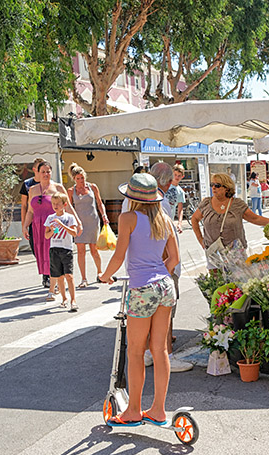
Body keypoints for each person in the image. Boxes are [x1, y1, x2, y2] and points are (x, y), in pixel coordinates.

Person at [99, 172, 179, 426]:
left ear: (131, 197)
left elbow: (119, 254)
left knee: (135, 351)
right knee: (160, 349)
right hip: (165, 288)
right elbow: (173, 259)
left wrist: (104, 276)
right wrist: (157, 276)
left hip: (142, 288)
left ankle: (133, 410)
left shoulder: (127, 218)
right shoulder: (165, 219)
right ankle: (158, 410)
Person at [146, 161, 193, 373]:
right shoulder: (160, 201)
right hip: (161, 266)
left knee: (150, 313)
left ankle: (149, 353)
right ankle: (167, 355)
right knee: (166, 313)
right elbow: (163, 239)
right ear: (163, 183)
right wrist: (169, 266)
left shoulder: (135, 201)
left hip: (143, 268)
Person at [190, 173, 269, 271]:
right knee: (217, 283)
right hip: (214, 252)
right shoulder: (207, 203)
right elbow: (194, 219)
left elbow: (255, 218)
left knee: (239, 282)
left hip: (236, 253)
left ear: (227, 188)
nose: (213, 188)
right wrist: (201, 239)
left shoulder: (237, 204)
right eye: (212, 185)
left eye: (217, 185)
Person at [23, 160, 81, 295]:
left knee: (53, 253)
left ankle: (55, 283)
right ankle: (50, 279)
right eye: (43, 172)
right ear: (37, 173)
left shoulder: (58, 187)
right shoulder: (32, 190)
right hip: (38, 227)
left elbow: (69, 206)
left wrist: (77, 222)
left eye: (48, 171)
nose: (45, 174)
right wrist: (25, 226)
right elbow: (30, 211)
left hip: (54, 227)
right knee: (41, 254)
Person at [68, 163, 108, 287]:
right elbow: (69, 207)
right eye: (78, 179)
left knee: (94, 249)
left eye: (82, 178)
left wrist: (104, 215)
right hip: (79, 223)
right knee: (80, 251)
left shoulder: (92, 187)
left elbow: (100, 203)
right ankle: (84, 279)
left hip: (92, 221)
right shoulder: (71, 191)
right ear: (74, 179)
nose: (81, 181)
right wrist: (71, 223)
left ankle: (100, 272)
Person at [44, 193, 79, 310]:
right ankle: (64, 298)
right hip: (54, 249)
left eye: (58, 204)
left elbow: (74, 233)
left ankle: (73, 300)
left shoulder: (69, 218)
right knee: (59, 276)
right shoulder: (50, 218)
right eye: (53, 204)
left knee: (69, 275)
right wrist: (52, 231)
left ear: (64, 205)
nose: (55, 206)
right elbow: (47, 236)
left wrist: (62, 225)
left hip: (66, 249)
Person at [20, 158, 46, 287]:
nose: (45, 173)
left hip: (50, 224)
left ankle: (49, 276)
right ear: (35, 170)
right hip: (34, 223)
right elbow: (24, 206)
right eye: (41, 169)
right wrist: (24, 225)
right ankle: (46, 272)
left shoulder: (52, 185)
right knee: (37, 250)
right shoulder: (27, 185)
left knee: (51, 248)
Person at [165, 163, 186, 232]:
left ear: (182, 176)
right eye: (175, 175)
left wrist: (179, 223)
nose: (177, 177)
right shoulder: (164, 185)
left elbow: (180, 210)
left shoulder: (181, 192)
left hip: (170, 220)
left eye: (179, 176)